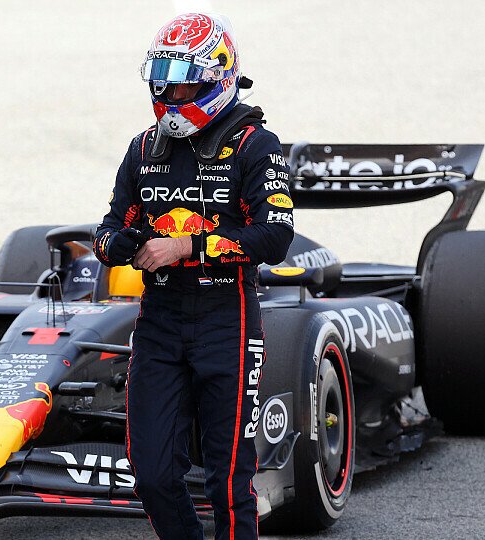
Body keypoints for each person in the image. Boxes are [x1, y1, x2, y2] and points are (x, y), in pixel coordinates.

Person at [93, 12, 295, 540]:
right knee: (153, 475)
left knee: (228, 483)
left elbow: (275, 237)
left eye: (184, 81)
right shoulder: (144, 149)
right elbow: (106, 233)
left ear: (217, 78)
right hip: (159, 321)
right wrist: (121, 245)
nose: (172, 93)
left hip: (227, 319)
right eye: (164, 80)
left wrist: (185, 246)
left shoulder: (254, 145)